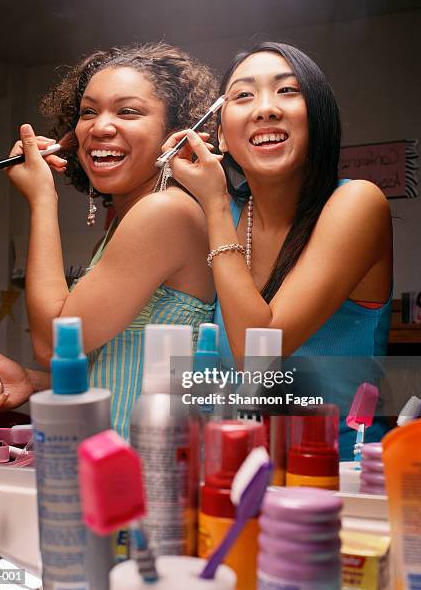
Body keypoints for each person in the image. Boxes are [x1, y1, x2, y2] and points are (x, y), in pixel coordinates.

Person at [0, 43, 217, 438]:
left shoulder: (164, 212)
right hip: (117, 465)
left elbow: (52, 343)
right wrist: (33, 380)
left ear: (176, 132)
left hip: (149, 473)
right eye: (88, 112)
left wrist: (43, 200)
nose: (100, 127)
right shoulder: (135, 218)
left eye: (127, 111)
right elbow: (116, 365)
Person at [163, 42, 393, 458]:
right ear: (220, 136)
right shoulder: (221, 215)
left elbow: (259, 352)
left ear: (319, 119)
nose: (265, 108)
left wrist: (214, 205)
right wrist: (41, 381)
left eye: (287, 90)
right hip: (232, 467)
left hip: (337, 475)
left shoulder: (356, 204)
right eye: (243, 95)